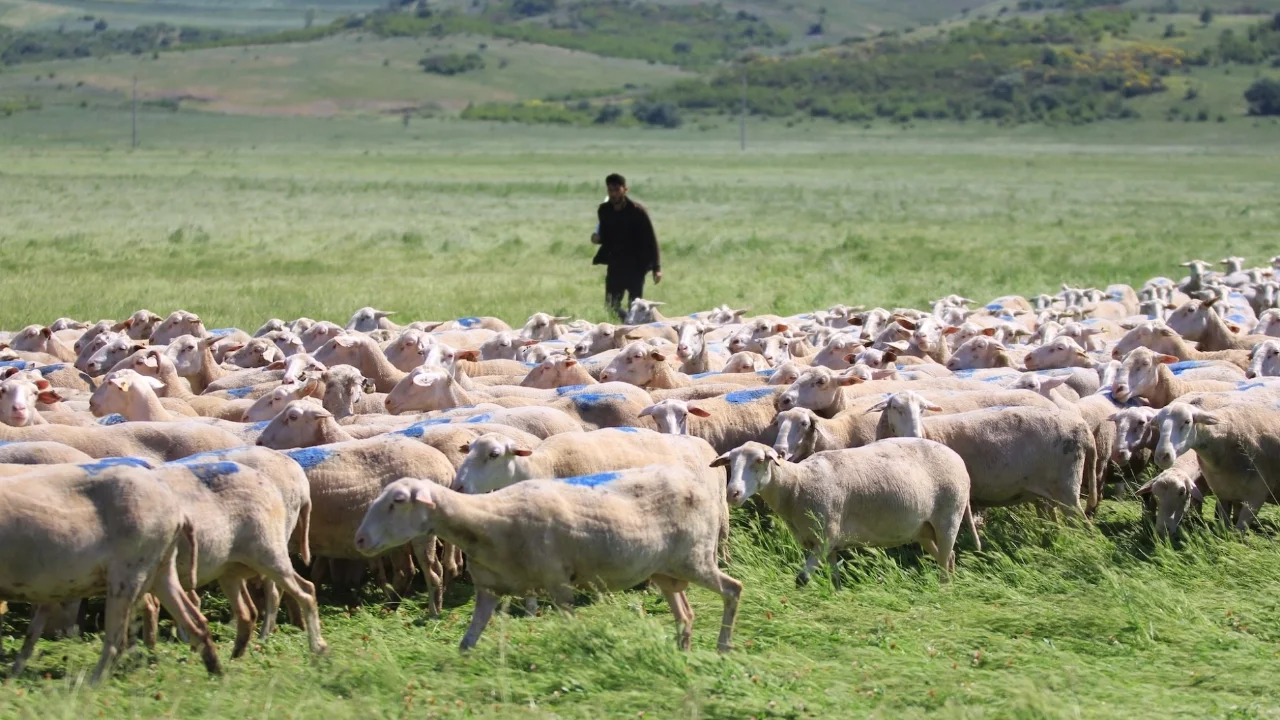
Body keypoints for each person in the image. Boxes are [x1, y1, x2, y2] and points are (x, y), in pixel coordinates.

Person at [591, 173, 662, 322]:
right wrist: (597, 239)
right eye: (610, 190)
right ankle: (625, 324)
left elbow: (651, 239)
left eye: (617, 190)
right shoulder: (604, 211)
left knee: (635, 306)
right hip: (615, 265)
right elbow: (605, 235)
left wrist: (657, 268)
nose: (613, 194)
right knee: (611, 306)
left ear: (625, 189)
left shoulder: (637, 211)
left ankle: (634, 330)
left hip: (636, 266)